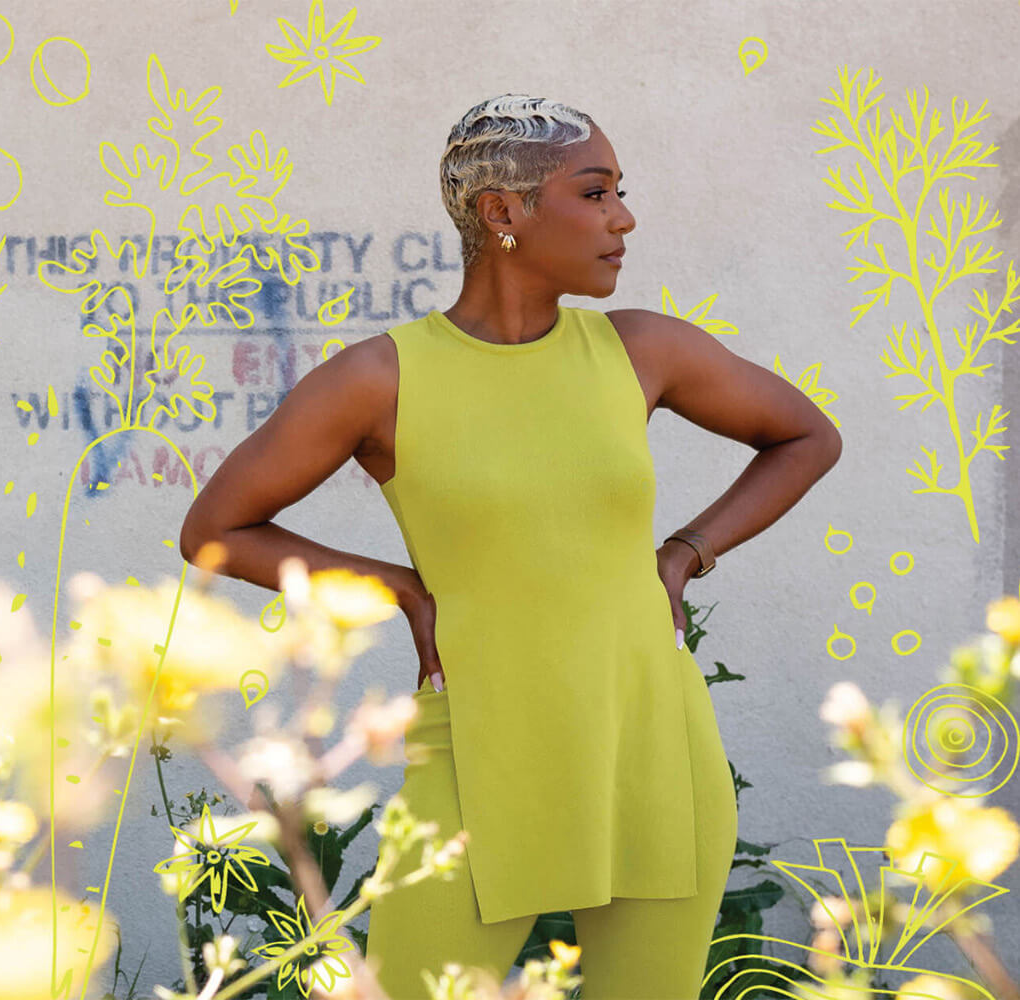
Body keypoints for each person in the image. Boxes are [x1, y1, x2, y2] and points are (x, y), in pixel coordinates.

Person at [178, 95, 843, 999]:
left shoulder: (641, 349)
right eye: (596, 192)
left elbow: (807, 437)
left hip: (649, 738)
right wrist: (402, 590)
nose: (624, 217)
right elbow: (215, 530)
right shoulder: (380, 378)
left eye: (619, 192)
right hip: (478, 750)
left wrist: (685, 553)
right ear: (504, 213)